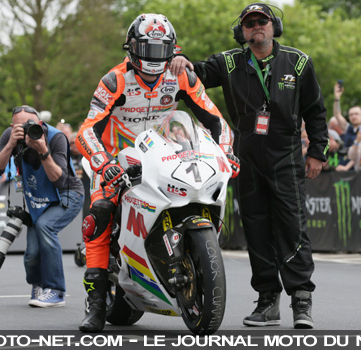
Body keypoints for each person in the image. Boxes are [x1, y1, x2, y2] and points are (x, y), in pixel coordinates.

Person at [75, 13, 237, 333]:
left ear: (173, 51)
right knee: (100, 215)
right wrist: (102, 161)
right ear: (132, 48)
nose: (153, 58)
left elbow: (216, 121)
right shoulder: (114, 80)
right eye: (147, 50)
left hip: (166, 153)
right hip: (119, 158)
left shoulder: (182, 77)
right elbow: (86, 129)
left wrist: (227, 152)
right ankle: (95, 305)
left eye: (161, 51)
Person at [170, 2, 328, 329]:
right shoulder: (229, 62)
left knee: (292, 225)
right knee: (255, 228)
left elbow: (315, 111)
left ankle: (301, 299)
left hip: (285, 151)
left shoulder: (298, 63)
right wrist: (180, 59)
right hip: (244, 151)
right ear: (241, 30)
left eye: (262, 21)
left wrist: (317, 151)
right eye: (250, 23)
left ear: (274, 26)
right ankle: (267, 300)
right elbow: (193, 74)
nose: (257, 26)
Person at [0, 106, 84, 308]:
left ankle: (56, 291)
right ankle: (39, 284)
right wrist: (10, 145)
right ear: (12, 126)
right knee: (32, 253)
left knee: (45, 226)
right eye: (20, 126)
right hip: (39, 197)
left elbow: (59, 181)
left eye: (31, 124)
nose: (26, 129)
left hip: (68, 194)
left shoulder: (55, 137)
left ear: (40, 123)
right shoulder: (10, 136)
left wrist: (43, 150)